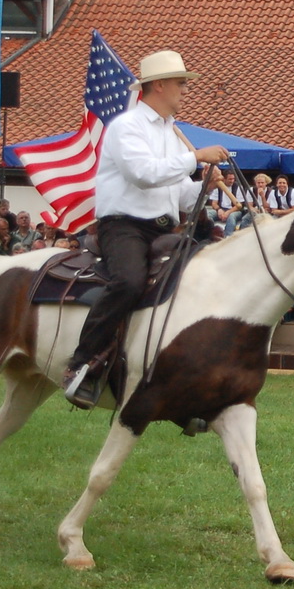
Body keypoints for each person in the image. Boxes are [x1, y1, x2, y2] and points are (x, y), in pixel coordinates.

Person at [61, 50, 227, 410]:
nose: (186, 89)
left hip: (164, 227)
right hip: (123, 226)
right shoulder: (126, 126)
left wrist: (204, 187)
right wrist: (196, 159)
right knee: (129, 282)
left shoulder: (171, 132)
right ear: (160, 85)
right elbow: (144, 173)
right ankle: (82, 363)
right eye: (181, 83)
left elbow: (178, 194)